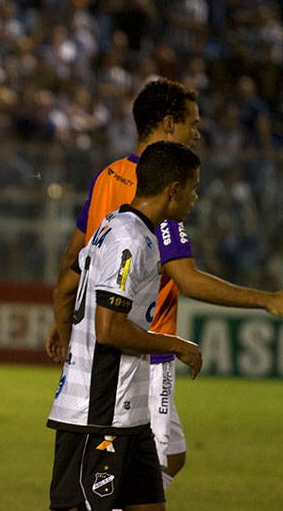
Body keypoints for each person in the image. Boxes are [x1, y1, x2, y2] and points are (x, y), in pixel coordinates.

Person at [46, 78, 283, 495]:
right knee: (143, 464)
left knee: (164, 460)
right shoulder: (162, 192)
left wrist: (65, 317)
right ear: (169, 124)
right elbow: (187, 278)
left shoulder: (107, 177)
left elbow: (73, 259)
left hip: (99, 359)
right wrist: (267, 300)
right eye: (193, 123)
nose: (197, 133)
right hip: (142, 354)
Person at [48, 141, 204, 511]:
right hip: (100, 412)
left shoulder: (113, 226)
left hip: (130, 413)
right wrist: (176, 345)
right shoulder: (129, 241)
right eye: (194, 187)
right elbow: (109, 329)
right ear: (174, 190)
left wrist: (73, 352)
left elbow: (64, 289)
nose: (196, 197)